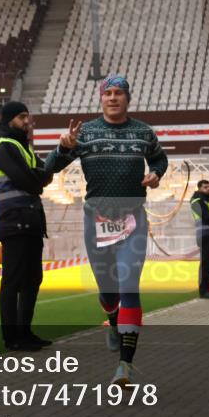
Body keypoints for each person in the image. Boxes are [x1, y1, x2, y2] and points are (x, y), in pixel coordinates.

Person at [45, 75, 168, 386]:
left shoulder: (143, 132)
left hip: (133, 219)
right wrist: (62, 147)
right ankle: (112, 320)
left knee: (129, 286)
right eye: (108, 93)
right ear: (101, 99)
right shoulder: (85, 133)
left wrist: (155, 174)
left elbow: (158, 158)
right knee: (108, 290)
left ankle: (124, 366)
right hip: (95, 220)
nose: (113, 98)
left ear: (128, 98)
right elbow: (50, 167)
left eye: (119, 93)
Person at [0, 101, 53, 351]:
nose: (27, 121)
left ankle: (25, 333)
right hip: (14, 220)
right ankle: (12, 338)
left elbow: (45, 173)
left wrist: (38, 178)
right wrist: (37, 179)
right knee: (13, 281)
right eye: (22, 117)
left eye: (28, 116)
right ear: (10, 119)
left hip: (31, 220)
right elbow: (33, 182)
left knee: (33, 278)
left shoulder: (21, 146)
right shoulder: (3, 146)